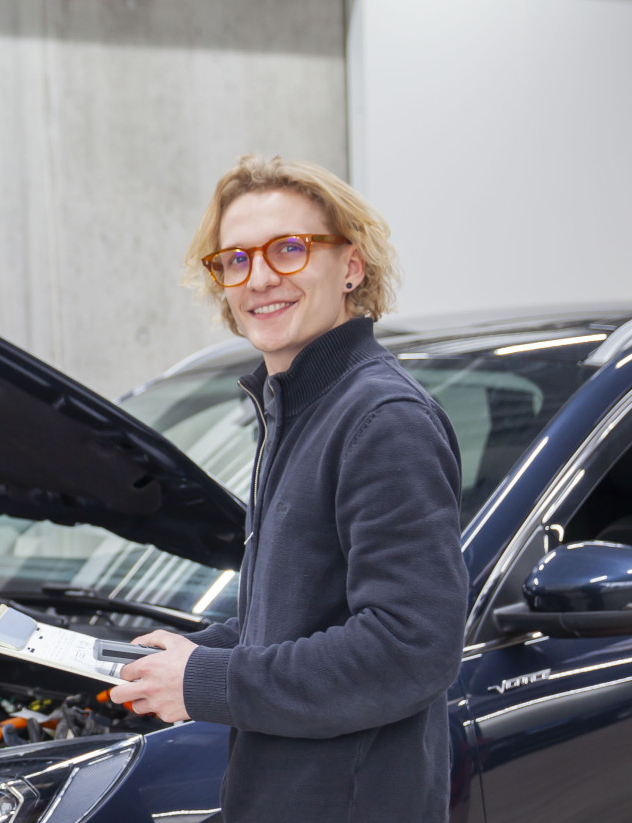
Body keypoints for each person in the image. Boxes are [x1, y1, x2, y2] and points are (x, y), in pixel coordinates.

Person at [107, 155, 466, 822]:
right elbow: (307, 607)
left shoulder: (381, 421)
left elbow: (409, 646)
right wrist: (196, 650)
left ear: (351, 267)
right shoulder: (295, 407)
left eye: (290, 249)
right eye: (235, 259)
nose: (260, 277)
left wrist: (206, 681)